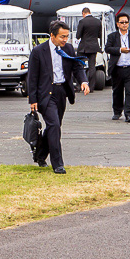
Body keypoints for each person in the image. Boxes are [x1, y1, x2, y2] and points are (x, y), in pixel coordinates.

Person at [27, 20, 90, 174]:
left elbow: (76, 66)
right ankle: (58, 164)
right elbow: (32, 77)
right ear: (52, 36)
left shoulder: (68, 48)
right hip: (45, 94)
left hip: (62, 92)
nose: (65, 40)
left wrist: (83, 81)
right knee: (54, 125)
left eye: (67, 36)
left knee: (54, 126)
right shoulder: (38, 51)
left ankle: (40, 156)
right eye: (62, 37)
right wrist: (33, 100)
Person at [104, 12, 130, 122]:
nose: (124, 24)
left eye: (126, 22)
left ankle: (129, 114)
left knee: (129, 91)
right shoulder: (112, 36)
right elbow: (107, 48)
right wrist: (119, 50)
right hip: (117, 68)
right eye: (122, 22)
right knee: (117, 91)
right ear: (117, 24)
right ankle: (117, 112)